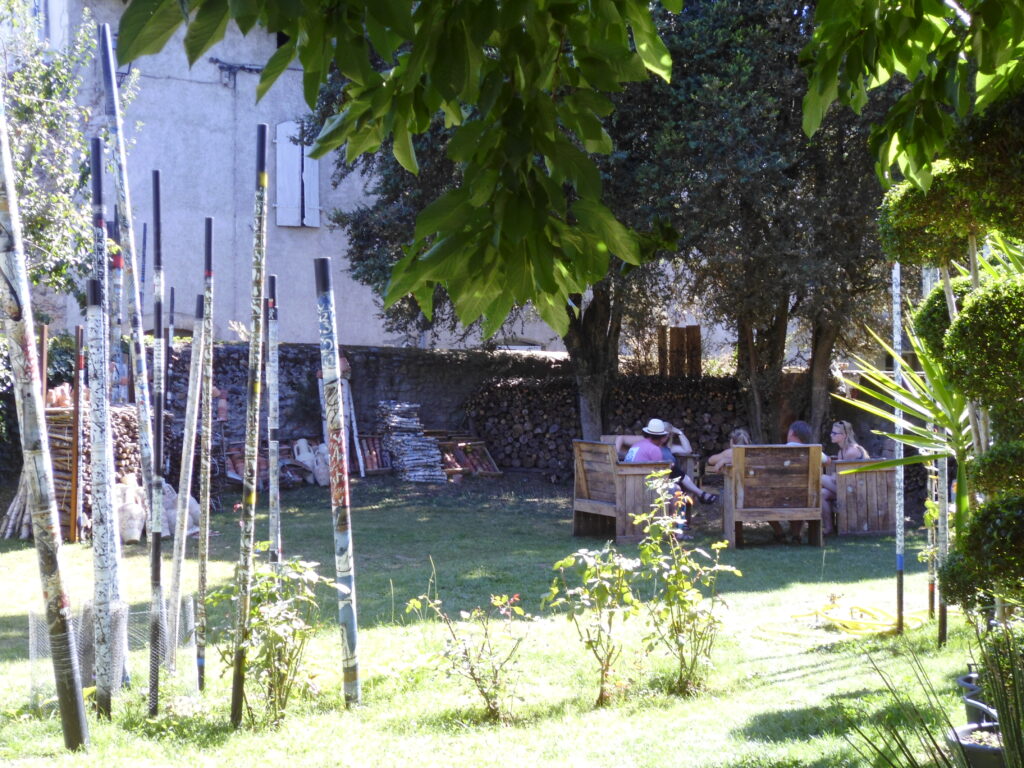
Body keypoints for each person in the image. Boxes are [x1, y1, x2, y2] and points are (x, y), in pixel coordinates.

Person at [625, 419, 718, 505]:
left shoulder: (638, 444)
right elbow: (660, 475)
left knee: (674, 472)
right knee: (675, 489)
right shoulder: (654, 449)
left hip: (628, 483)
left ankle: (699, 494)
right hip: (641, 487)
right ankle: (674, 520)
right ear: (663, 437)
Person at [783, 420, 832, 542]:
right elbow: (828, 461)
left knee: (793, 495)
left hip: (784, 494)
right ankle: (796, 535)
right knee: (799, 496)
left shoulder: (782, 450)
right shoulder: (813, 451)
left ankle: (791, 534)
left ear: (792, 433)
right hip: (808, 493)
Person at [821, 420, 871, 534]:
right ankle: (829, 528)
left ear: (844, 436)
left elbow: (843, 475)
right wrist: (835, 475)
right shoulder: (841, 452)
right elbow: (839, 474)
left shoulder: (852, 451)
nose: (831, 435)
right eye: (831, 433)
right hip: (846, 486)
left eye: (834, 433)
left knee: (821, 478)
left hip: (858, 489)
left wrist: (835, 475)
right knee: (822, 493)